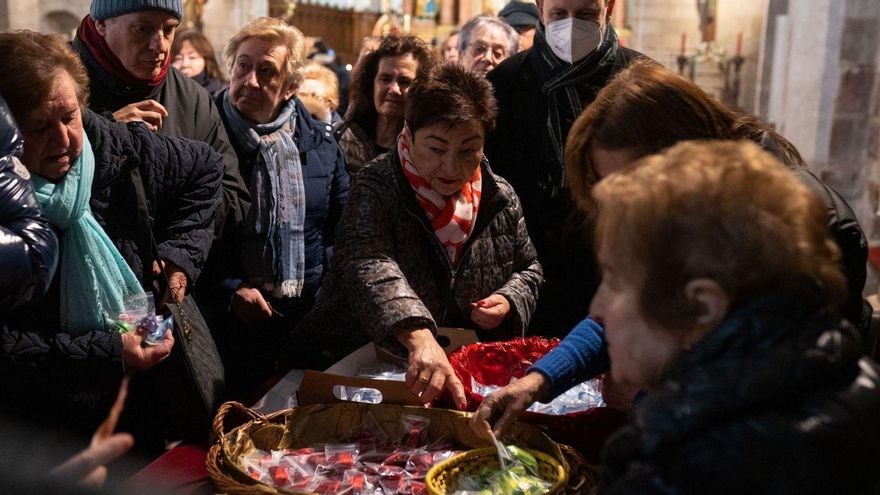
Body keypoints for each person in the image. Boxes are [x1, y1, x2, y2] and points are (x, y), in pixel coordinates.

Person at [469, 58, 872, 433]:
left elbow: (771, 402)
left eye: (633, 184)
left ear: (681, 152)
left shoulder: (797, 227)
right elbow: (627, 304)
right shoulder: (693, 205)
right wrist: (540, 380)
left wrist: (649, 398)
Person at [475, 140, 880, 492]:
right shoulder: (838, 378)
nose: (597, 308)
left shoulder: (682, 464)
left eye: (616, 281)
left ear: (702, 305)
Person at [0, 30, 222, 447]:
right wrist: (109, 353)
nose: (65, 141)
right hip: (40, 437)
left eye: (69, 117)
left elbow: (206, 169)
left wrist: (180, 256)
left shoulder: (110, 145)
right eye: (39, 127)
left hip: (140, 410)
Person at [289, 64, 543, 406]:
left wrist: (510, 298)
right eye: (436, 149)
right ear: (408, 134)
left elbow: (529, 268)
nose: (452, 167)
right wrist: (418, 334)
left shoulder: (500, 198)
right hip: (364, 370)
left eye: (469, 150)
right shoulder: (377, 185)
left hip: (452, 376)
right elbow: (366, 259)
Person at [205, 17, 350, 398]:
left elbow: (343, 227)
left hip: (306, 329)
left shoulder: (320, 143)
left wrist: (323, 285)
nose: (250, 81)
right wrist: (228, 290)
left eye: (267, 71)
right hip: (227, 331)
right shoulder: (203, 137)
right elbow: (188, 235)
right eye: (243, 66)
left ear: (290, 87)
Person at [486, 0, 641, 338]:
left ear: (609, 7)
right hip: (528, 278)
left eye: (586, 14)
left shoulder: (643, 84)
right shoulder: (504, 84)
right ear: (540, 7)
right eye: (559, 14)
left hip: (615, 277)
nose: (571, 26)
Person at [71, 0, 250, 240]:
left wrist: (178, 247)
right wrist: (103, 133)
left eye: (168, 30)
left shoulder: (193, 99)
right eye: (142, 29)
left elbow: (234, 201)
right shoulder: (54, 82)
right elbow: (32, 187)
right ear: (102, 23)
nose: (161, 46)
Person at [336, 35, 435, 174]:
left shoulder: (427, 150)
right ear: (372, 83)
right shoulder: (340, 138)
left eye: (404, 82)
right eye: (385, 79)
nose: (394, 89)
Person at [171, 28, 228, 96]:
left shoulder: (223, 94)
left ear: (206, 60)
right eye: (178, 58)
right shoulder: (163, 93)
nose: (185, 64)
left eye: (192, 57)